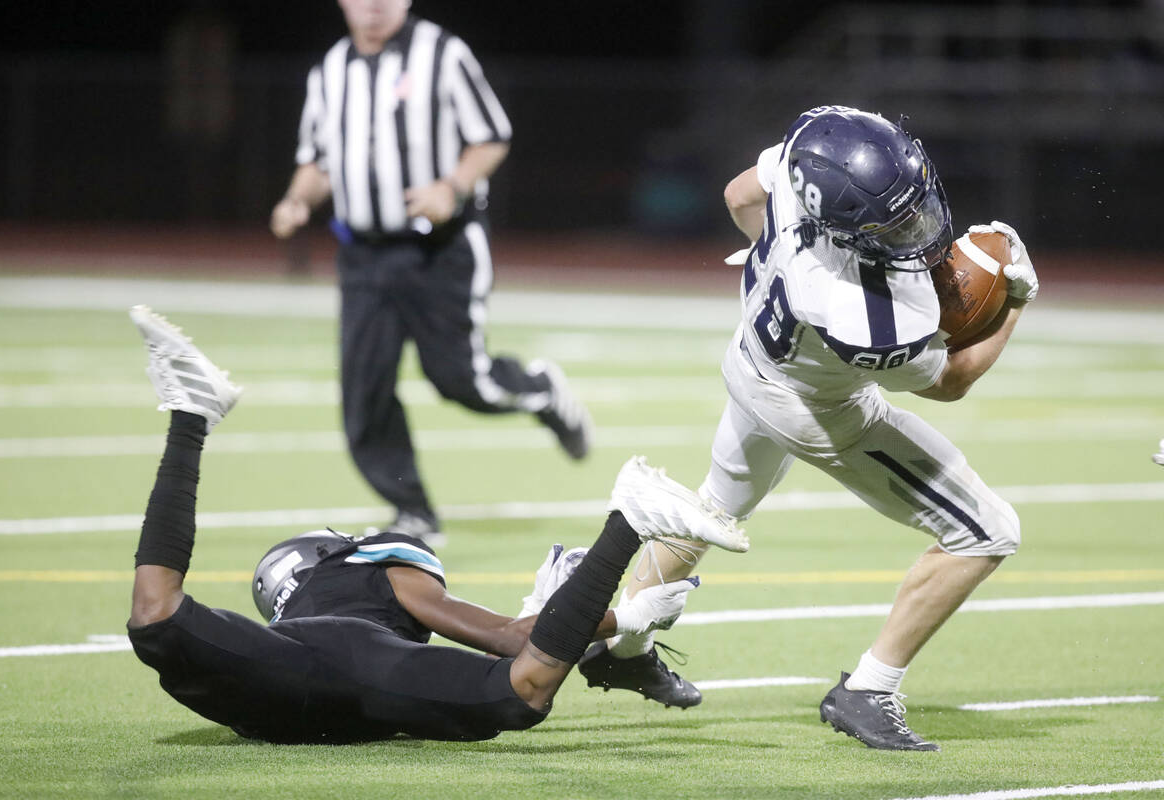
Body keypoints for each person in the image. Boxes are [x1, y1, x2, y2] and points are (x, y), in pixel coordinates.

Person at [587, 105, 1042, 751]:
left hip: (751, 356)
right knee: (986, 532)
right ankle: (869, 689)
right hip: (815, 407)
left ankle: (624, 646)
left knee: (712, 507)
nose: (918, 226)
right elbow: (951, 381)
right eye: (892, 222)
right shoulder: (874, 315)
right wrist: (1016, 300)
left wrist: (765, 251)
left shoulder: (818, 154)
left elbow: (741, 194)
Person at [124, 305, 748, 743]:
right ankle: (628, 516)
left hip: (321, 685)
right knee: (522, 691)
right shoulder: (368, 580)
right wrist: (620, 617)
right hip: (344, 683)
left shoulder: (352, 587)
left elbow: (513, 637)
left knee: (157, 620)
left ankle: (190, 415)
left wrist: (608, 617)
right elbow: (513, 638)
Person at [269, 0, 591, 545]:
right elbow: (318, 160)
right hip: (364, 256)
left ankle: (539, 389)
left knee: (462, 381)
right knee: (364, 391)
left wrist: (450, 188)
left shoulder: (442, 54)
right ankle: (412, 511)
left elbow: (490, 136)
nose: (372, 6)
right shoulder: (329, 70)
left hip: (439, 249)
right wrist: (298, 200)